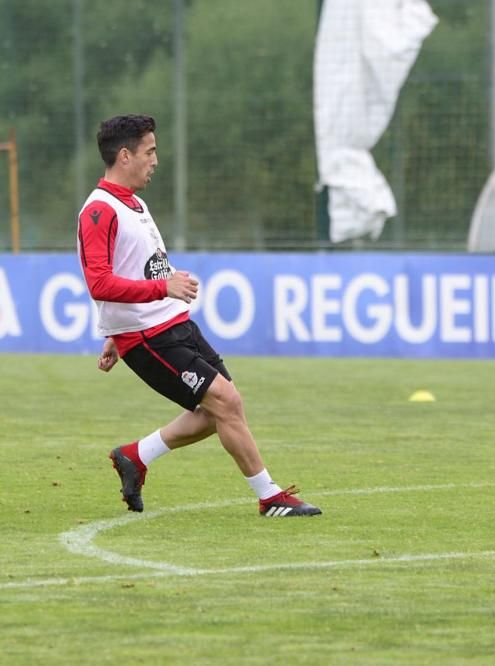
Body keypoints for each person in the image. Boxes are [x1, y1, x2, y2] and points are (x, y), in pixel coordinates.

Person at [77, 114, 321, 517]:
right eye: (149, 152)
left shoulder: (134, 203)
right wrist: (147, 304)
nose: (156, 160)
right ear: (125, 156)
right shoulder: (98, 212)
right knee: (223, 400)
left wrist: (117, 327)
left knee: (224, 406)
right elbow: (99, 283)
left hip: (170, 323)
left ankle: (136, 456)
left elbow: (136, 269)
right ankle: (270, 497)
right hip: (148, 335)